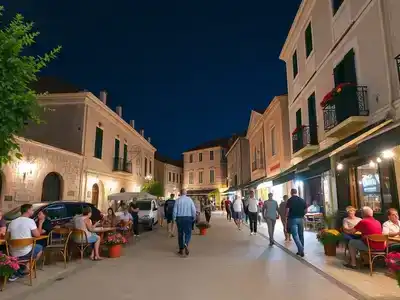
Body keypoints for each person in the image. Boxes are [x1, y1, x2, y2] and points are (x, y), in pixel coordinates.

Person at [7, 204, 43, 281]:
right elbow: (37, 235)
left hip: (12, 252)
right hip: (25, 252)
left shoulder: (12, 222)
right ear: (28, 210)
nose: (33, 211)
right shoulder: (30, 221)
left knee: (29, 248)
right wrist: (40, 222)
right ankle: (25, 268)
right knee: (40, 248)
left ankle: (19, 268)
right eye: (32, 210)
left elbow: (7, 238)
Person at [173, 189, 196, 256]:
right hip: (188, 218)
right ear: (186, 193)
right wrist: (194, 217)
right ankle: (186, 243)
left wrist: (174, 218)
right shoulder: (189, 200)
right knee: (188, 233)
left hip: (179, 218)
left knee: (180, 234)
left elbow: (174, 210)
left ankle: (181, 249)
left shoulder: (177, 200)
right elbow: (193, 209)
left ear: (180, 193)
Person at [286, 188, 307, 257]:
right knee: (301, 235)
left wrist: (287, 216)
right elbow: (306, 210)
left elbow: (287, 210)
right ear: (296, 192)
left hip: (293, 219)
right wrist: (302, 214)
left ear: (291, 193)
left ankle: (300, 249)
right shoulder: (302, 200)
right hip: (301, 219)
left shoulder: (289, 200)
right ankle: (300, 250)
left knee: (295, 235)